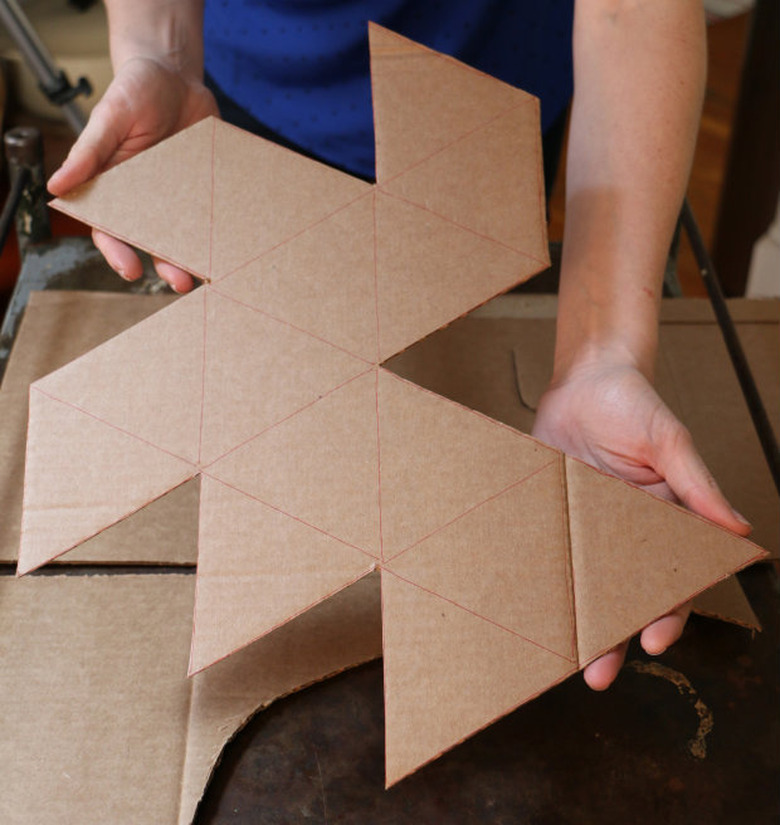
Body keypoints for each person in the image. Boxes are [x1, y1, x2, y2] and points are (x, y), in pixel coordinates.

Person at [47, 0, 752, 691]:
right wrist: (162, 53)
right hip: (253, 85)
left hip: (484, 97)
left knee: (471, 258)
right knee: (282, 402)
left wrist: (603, 352)